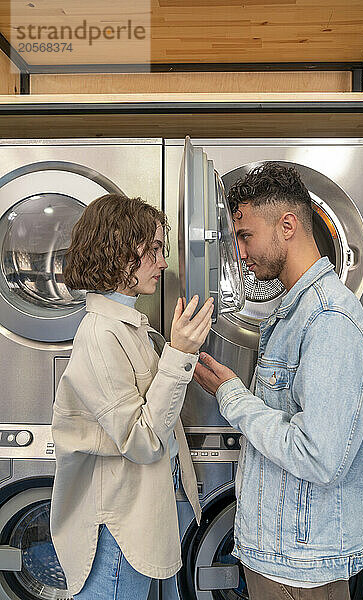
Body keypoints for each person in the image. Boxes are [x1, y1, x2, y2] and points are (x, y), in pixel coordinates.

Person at [194, 163, 363, 600]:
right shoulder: (296, 311)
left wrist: (231, 396)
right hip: (284, 555)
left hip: (302, 566)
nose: (241, 254)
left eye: (245, 236)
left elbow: (318, 456)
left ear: (286, 225)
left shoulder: (327, 320)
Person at [50, 193, 214, 599]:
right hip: (117, 529)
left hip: (132, 518)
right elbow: (141, 440)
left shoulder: (127, 326)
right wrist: (179, 354)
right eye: (155, 249)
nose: (163, 262)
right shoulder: (101, 333)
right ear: (118, 250)